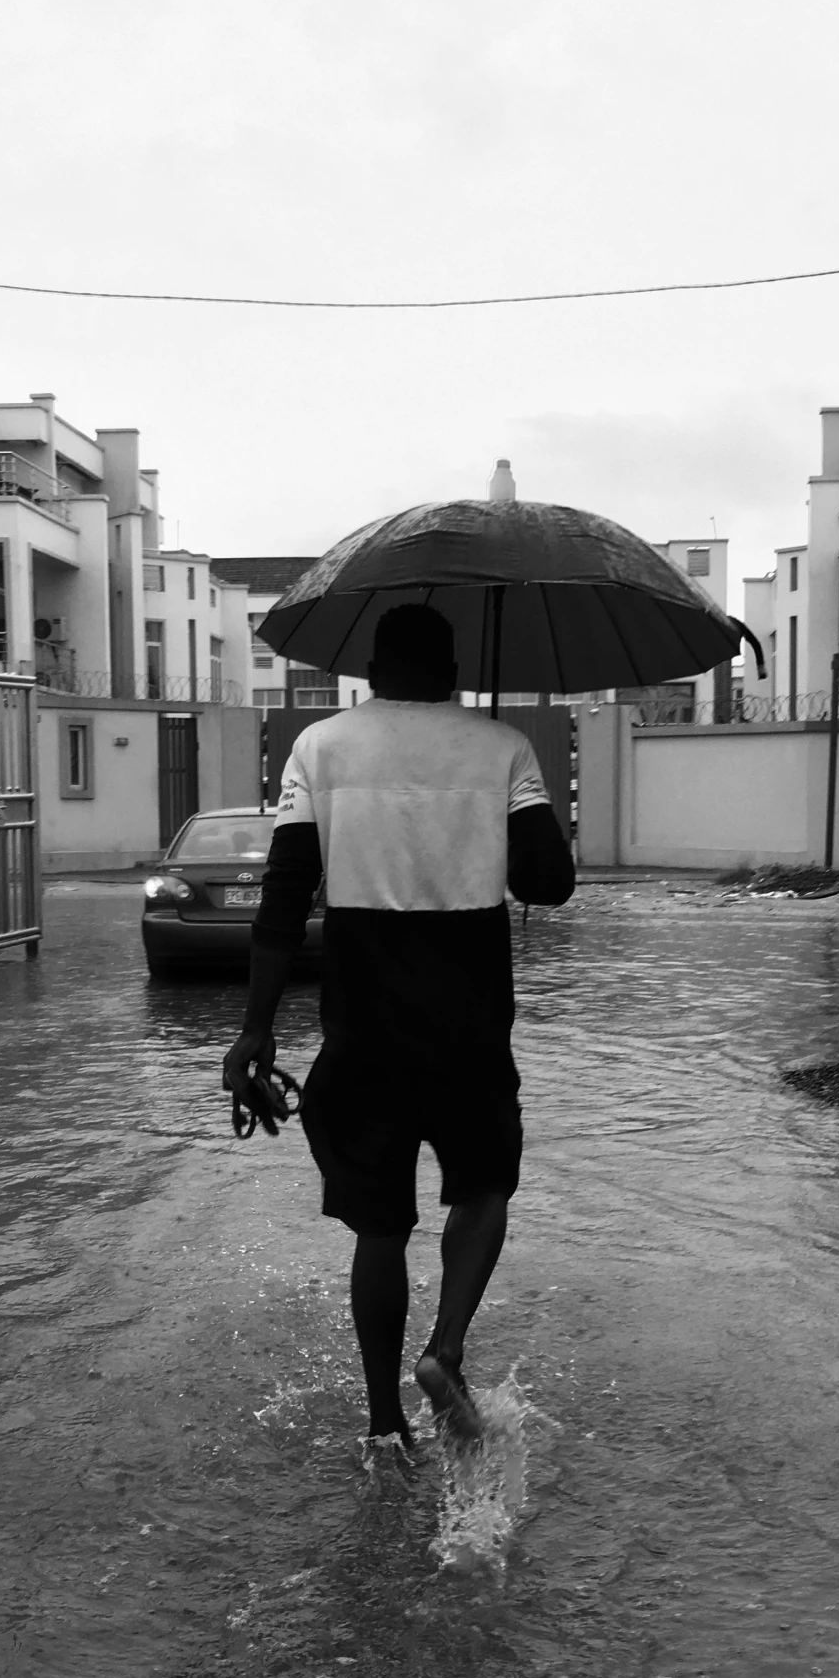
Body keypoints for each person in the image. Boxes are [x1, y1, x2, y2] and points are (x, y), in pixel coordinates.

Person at [222, 604, 576, 1447]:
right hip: (471, 1026)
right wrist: (503, 817)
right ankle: (446, 1351)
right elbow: (550, 883)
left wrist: (254, 1030)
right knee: (484, 1185)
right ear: (451, 670)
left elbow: (283, 896)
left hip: (362, 1027)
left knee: (381, 1228)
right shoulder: (503, 748)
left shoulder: (320, 748)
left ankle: (386, 1428)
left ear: (371, 670)